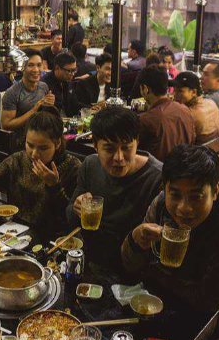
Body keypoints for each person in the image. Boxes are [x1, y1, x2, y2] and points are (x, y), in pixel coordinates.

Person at [122, 145, 219, 340]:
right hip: (167, 311)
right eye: (175, 195)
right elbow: (130, 265)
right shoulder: (161, 205)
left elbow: (210, 301)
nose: (184, 208)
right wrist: (135, 240)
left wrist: (153, 272)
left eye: (196, 196)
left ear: (215, 191)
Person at [66, 106, 163, 271]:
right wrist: (76, 209)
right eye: (109, 149)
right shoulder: (90, 165)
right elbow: (70, 217)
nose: (119, 157)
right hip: (91, 261)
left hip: (133, 270)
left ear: (137, 142)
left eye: (126, 147)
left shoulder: (157, 178)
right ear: (95, 145)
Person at [0, 107, 81, 239]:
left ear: (57, 143)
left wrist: (54, 187)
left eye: (43, 148)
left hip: (52, 240)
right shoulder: (18, 160)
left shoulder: (72, 167)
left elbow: (71, 218)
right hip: (13, 233)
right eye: (30, 145)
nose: (34, 154)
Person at [137, 66, 195, 162]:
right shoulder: (185, 109)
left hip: (161, 170)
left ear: (145, 89)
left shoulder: (146, 120)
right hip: (185, 165)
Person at [1, 49, 55, 151]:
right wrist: (34, 110)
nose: (36, 69)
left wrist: (50, 104)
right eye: (30, 65)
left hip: (43, 137)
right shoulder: (12, 93)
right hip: (21, 144)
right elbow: (6, 125)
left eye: (39, 65)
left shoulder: (44, 87)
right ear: (22, 67)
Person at [173, 71, 219, 145]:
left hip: (202, 151)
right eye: (174, 90)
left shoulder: (188, 113)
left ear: (193, 92)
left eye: (180, 91)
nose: (175, 95)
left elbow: (181, 142)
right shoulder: (211, 102)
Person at [41, 52, 81, 117]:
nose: (72, 74)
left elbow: (74, 103)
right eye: (69, 71)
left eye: (74, 70)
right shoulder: (44, 84)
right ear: (57, 68)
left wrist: (90, 108)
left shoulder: (67, 79)